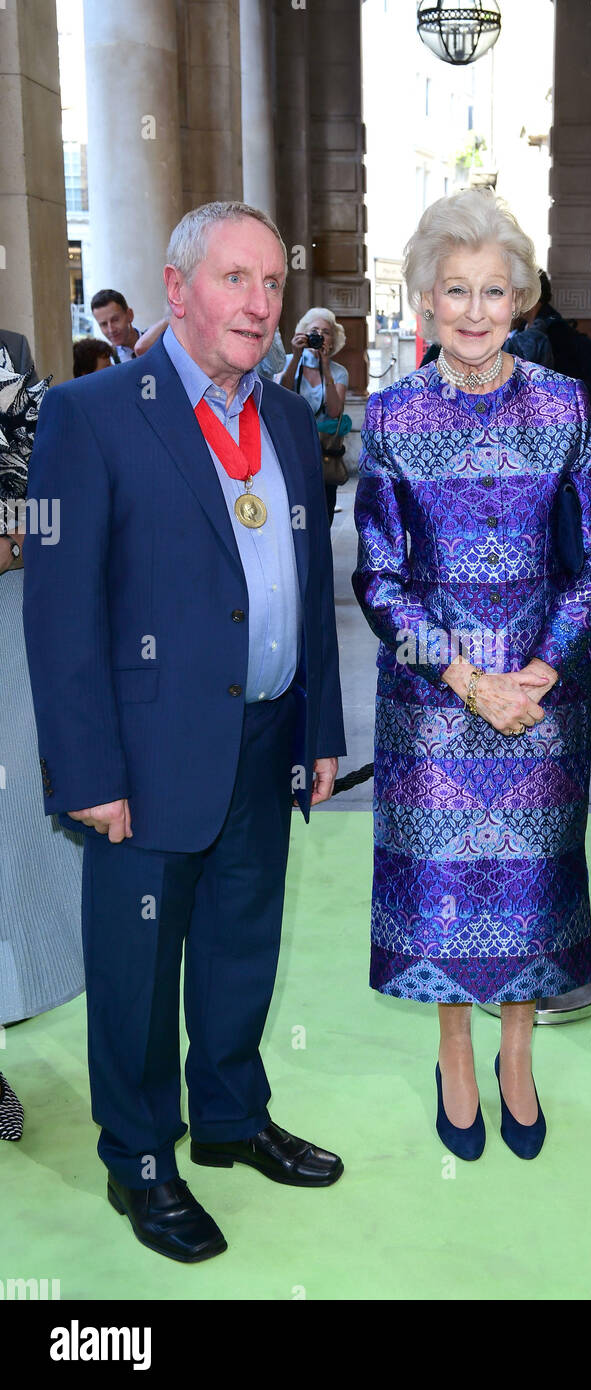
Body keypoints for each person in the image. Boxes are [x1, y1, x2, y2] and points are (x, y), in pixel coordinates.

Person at [24, 200, 346, 1263]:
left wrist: (320, 729)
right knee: (137, 963)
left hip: (263, 737)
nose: (259, 303)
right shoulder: (94, 413)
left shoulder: (289, 419)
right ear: (176, 288)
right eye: (233, 280)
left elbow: (304, 585)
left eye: (270, 283)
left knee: (242, 943)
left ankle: (229, 1117)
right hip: (144, 751)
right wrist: (85, 769)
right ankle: (142, 1160)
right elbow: (60, 613)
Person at [353, 188, 591, 1163]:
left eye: (493, 291)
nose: (473, 311)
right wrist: (471, 681)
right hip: (433, 707)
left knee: (529, 885)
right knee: (444, 893)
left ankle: (517, 1054)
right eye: (454, 290)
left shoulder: (564, 406)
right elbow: (378, 578)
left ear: (520, 300)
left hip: (541, 702)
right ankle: (453, 1054)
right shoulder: (388, 419)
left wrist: (541, 670)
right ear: (425, 297)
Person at [1, 339, 84, 1144]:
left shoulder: (10, 361)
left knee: (12, 841)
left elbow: (41, 501)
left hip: (9, 642)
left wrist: (13, 530)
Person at [280, 308, 349, 526]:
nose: (319, 335)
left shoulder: (338, 372)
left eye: (326, 332)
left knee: (323, 514)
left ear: (333, 339)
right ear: (303, 334)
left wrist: (325, 367)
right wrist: (296, 356)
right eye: (314, 330)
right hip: (292, 445)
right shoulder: (288, 361)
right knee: (294, 511)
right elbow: (282, 395)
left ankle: (320, 556)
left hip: (324, 451)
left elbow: (334, 411)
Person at [90, 289, 144, 362]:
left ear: (130, 315)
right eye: (104, 324)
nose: (111, 330)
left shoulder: (156, 341)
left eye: (115, 320)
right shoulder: (108, 362)